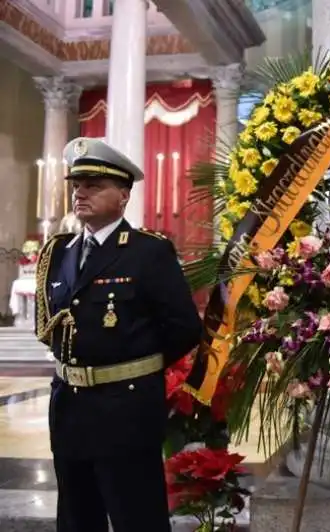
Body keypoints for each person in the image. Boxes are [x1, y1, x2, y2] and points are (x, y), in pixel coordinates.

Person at [34, 137, 203, 532]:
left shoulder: (147, 252)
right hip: (69, 407)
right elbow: (51, 327)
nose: (81, 193)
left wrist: (133, 366)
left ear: (123, 195)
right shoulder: (58, 252)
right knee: (76, 519)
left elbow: (183, 328)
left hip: (125, 411)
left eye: (94, 185)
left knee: (136, 517)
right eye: (77, 184)